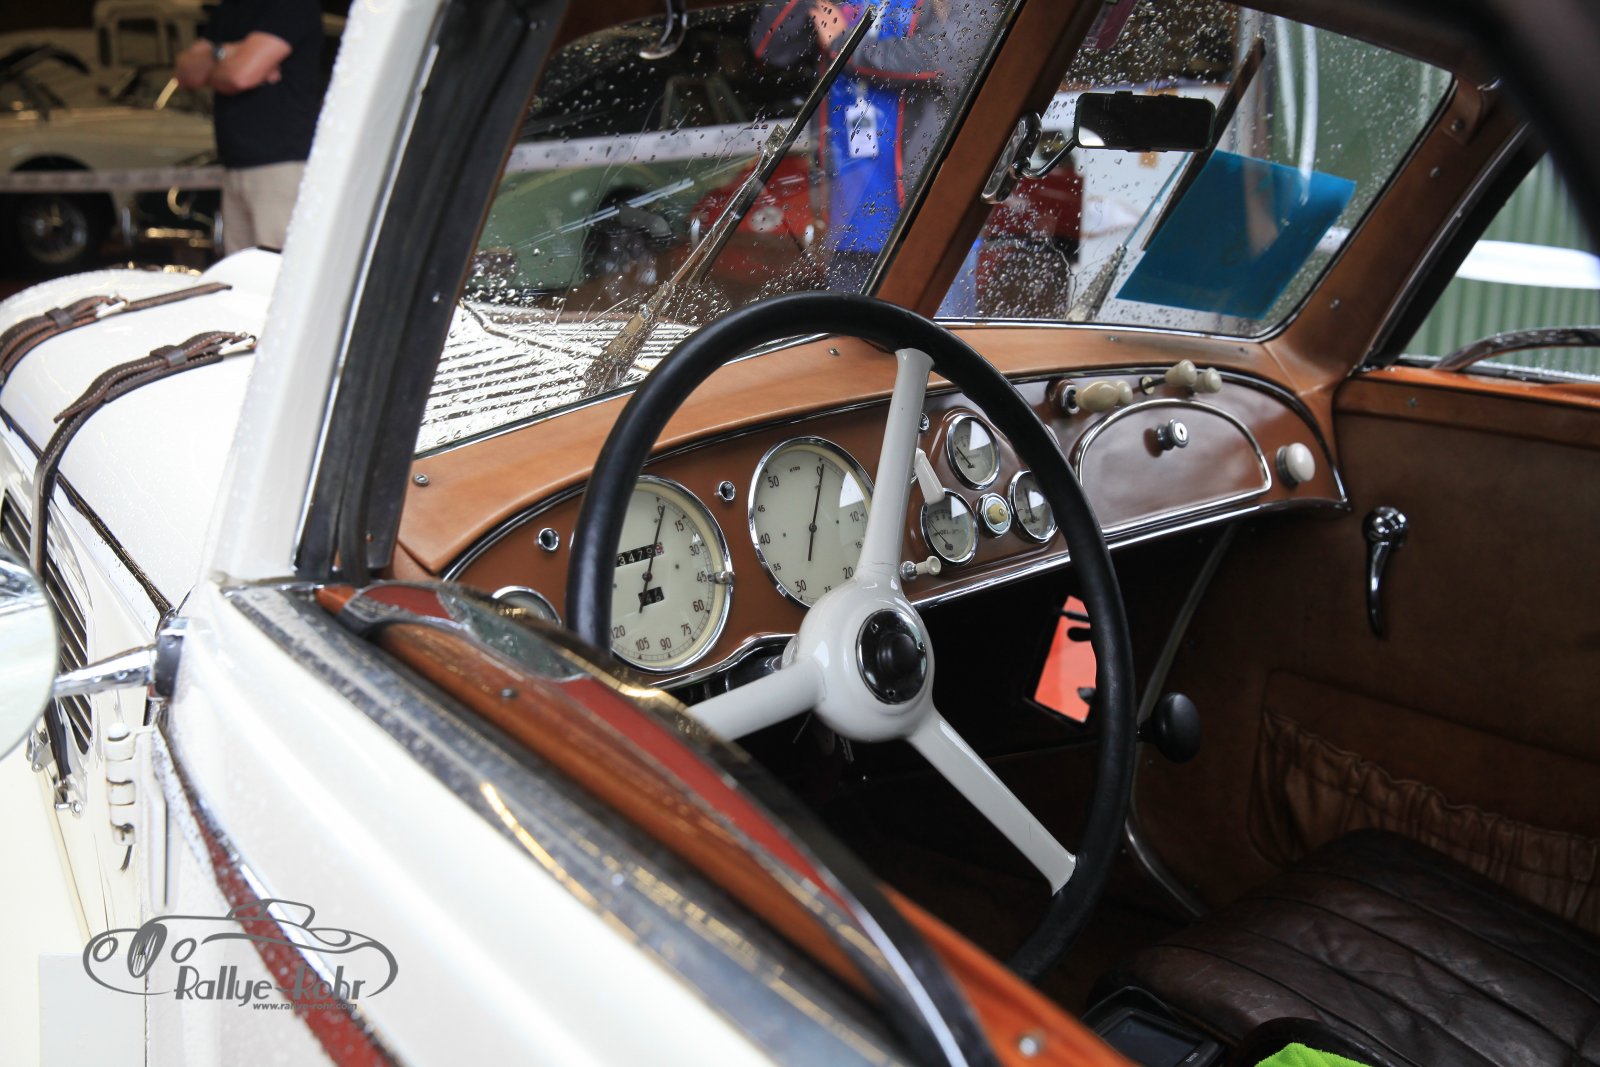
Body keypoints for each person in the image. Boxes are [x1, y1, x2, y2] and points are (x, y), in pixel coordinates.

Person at [751, 0, 984, 290]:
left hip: (931, 216)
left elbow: (948, 58)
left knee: (930, 318)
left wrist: (845, 47)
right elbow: (770, 47)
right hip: (847, 219)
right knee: (851, 319)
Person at [175, 0, 324, 255]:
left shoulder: (291, 5)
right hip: (236, 165)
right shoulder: (231, 7)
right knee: (240, 271)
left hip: (281, 165)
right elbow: (186, 73)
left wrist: (215, 63)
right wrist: (226, 53)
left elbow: (239, 76)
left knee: (278, 268)